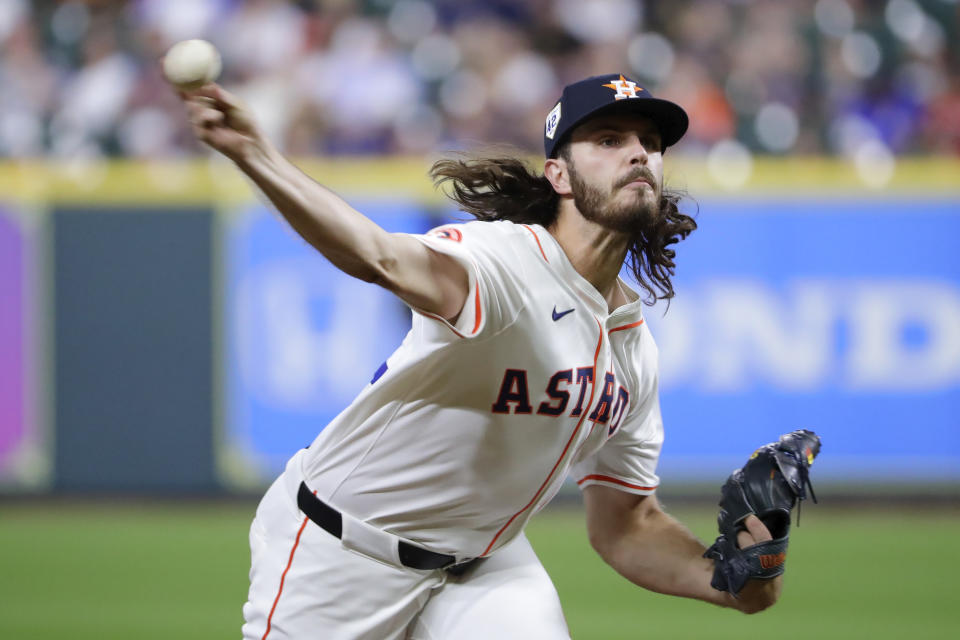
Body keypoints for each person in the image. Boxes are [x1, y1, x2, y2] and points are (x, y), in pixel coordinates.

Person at [179, 72, 781, 640]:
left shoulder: (632, 346)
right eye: (608, 139)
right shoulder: (503, 264)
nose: (638, 153)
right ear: (559, 176)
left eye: (650, 142)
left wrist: (730, 583)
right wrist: (256, 155)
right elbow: (381, 257)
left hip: (484, 565)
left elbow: (627, 524)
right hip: (341, 548)